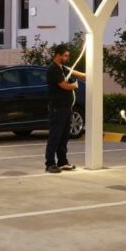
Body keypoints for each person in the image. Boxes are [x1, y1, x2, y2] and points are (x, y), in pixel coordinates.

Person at [45, 43, 84, 174]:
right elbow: (63, 85)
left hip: (66, 108)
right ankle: (50, 163)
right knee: (55, 136)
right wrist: (74, 85)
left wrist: (89, 74)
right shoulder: (53, 69)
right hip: (58, 109)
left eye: (68, 56)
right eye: (65, 56)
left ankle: (62, 162)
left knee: (64, 137)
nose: (67, 58)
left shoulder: (62, 68)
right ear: (58, 55)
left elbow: (76, 73)